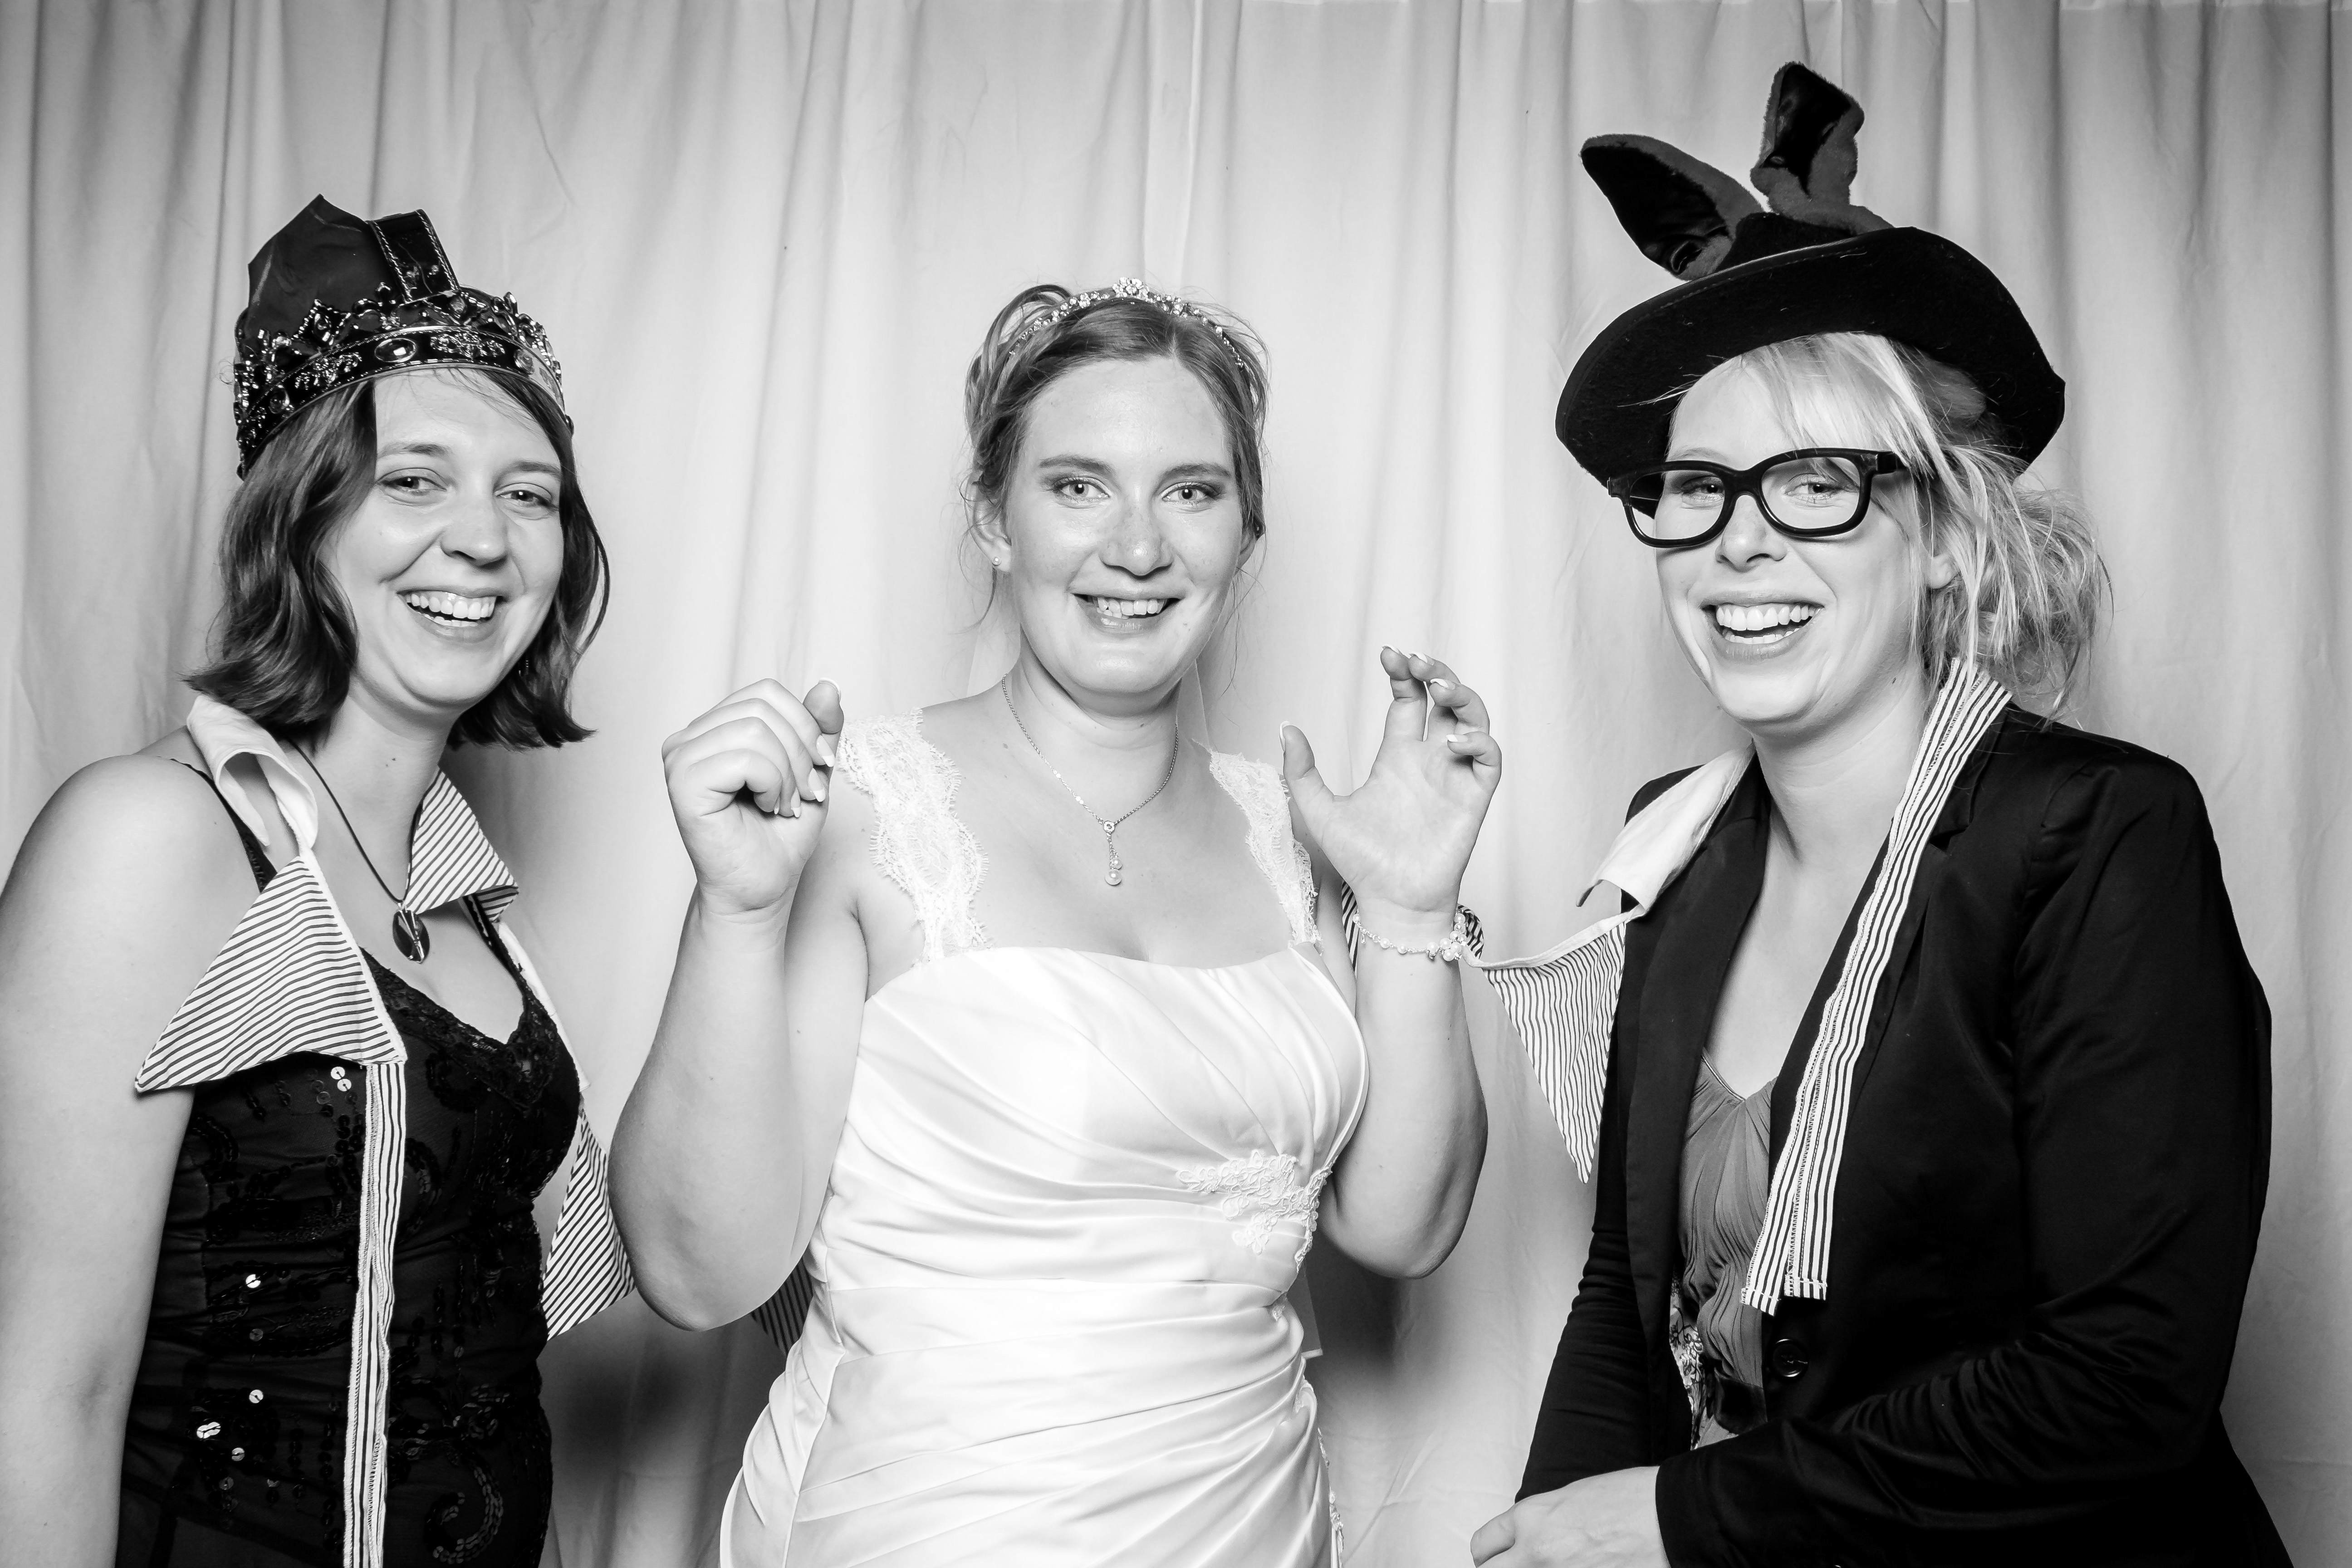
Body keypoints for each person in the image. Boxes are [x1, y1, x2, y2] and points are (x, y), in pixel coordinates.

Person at [1469, 66, 2285, 1567]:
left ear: (1944, 533)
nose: (1737, 543)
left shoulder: (2098, 837)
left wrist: (1680, 1519)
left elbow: (2121, 1385)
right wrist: (1544, 1540)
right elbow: (1621, 1299)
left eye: (1816, 483)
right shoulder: (1672, 846)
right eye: (1696, 487)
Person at [611, 278, 1501, 1565]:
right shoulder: (849, 811)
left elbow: (1405, 1229)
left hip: (1252, 1525)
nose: (1137, 548)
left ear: (1245, 535)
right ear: (994, 516)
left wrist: (1412, 906)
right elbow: (698, 1277)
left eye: (1191, 492)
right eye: (1079, 487)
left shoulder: (1299, 830)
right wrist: (736, 913)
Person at [0, 198, 632, 1568]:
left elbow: (484, 1357)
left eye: (529, 494)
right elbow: (44, 1395)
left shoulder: (466, 896)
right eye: (415, 480)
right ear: (301, 518)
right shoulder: (150, 839)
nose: (484, 538)